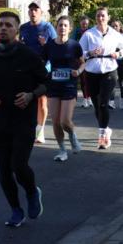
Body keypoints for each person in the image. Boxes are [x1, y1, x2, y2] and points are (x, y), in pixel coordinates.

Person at [0, 11, 48, 227]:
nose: (3, 28)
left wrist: (31, 95)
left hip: (23, 121)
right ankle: (16, 210)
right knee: (4, 171)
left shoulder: (29, 56)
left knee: (18, 165)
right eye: (0, 25)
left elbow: (46, 82)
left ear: (17, 29)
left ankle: (32, 191)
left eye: (8, 25)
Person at [78, 7, 123, 149]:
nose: (100, 18)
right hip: (92, 71)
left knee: (103, 103)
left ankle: (102, 136)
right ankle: (105, 128)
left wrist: (118, 54)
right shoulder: (89, 34)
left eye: (103, 16)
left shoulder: (114, 34)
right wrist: (90, 52)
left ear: (108, 17)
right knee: (96, 105)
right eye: (98, 16)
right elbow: (79, 52)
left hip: (109, 70)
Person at [41, 16, 84, 161]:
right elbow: (42, 62)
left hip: (69, 85)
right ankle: (62, 150)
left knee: (65, 121)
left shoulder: (74, 45)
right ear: (56, 27)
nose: (62, 28)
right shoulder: (49, 45)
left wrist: (78, 72)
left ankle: (72, 136)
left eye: (65, 25)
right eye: (60, 25)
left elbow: (82, 63)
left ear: (70, 28)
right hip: (53, 85)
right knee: (55, 121)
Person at [18, 2, 57, 141]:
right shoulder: (23, 28)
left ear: (41, 12)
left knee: (42, 100)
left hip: (43, 68)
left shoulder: (47, 27)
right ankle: (30, 128)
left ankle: (40, 131)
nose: (33, 12)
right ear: (28, 12)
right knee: (26, 98)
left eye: (36, 10)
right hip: (27, 69)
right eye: (31, 10)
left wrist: (45, 45)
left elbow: (56, 46)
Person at [109, 19, 123, 109]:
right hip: (112, 61)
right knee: (112, 81)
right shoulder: (108, 36)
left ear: (120, 27)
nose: (114, 28)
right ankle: (112, 101)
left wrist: (120, 51)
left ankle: (122, 98)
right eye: (113, 26)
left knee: (120, 81)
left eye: (116, 26)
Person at [71, 16, 93, 108]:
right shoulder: (76, 31)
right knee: (83, 80)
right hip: (79, 58)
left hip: (89, 58)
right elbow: (72, 42)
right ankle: (85, 99)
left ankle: (90, 98)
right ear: (80, 23)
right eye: (83, 23)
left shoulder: (91, 31)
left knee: (89, 79)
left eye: (86, 24)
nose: (84, 25)